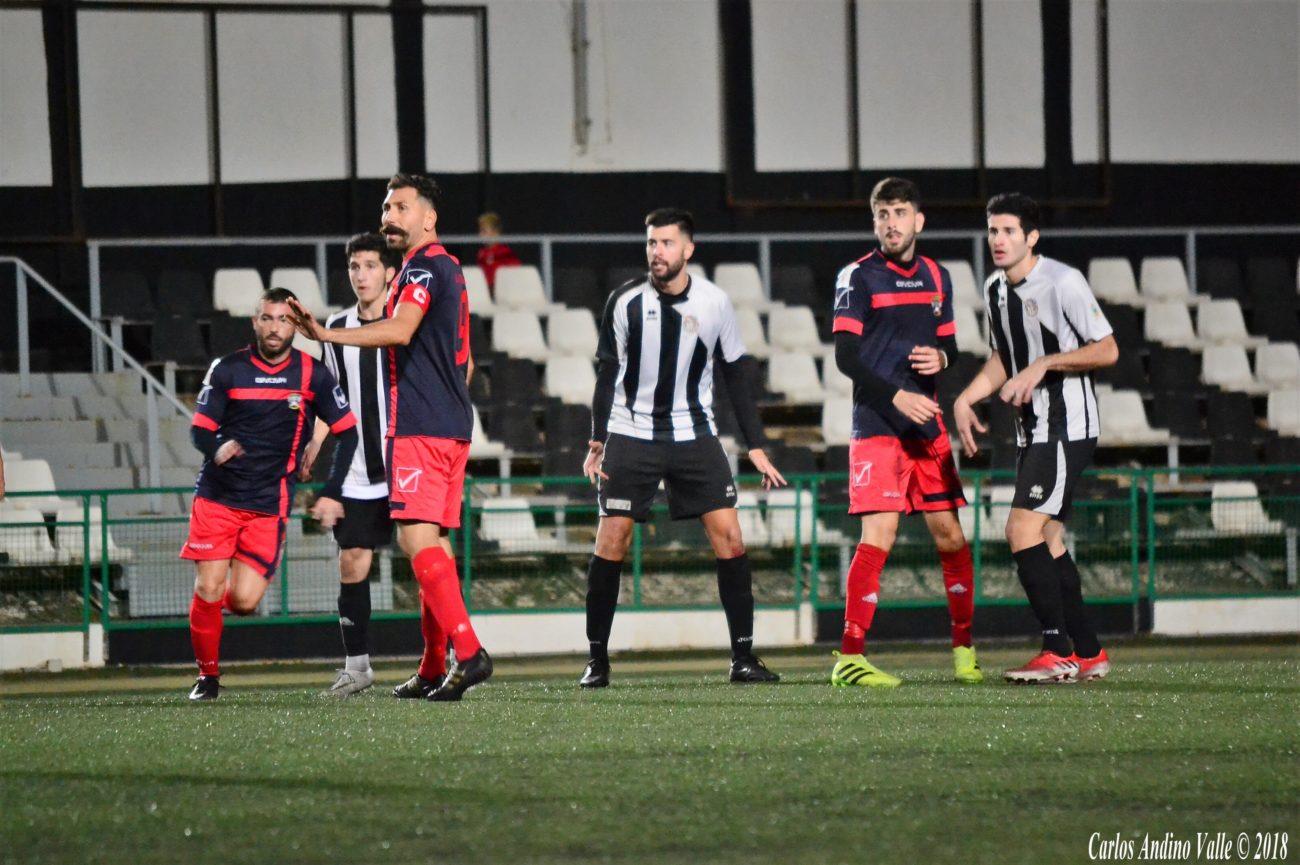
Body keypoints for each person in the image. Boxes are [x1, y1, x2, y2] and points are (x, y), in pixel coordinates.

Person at [287, 173, 492, 702]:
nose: (389, 216)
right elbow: (465, 361)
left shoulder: (421, 267)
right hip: (452, 425)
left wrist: (324, 334)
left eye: (401, 207)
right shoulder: (448, 267)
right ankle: (432, 666)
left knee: (414, 540)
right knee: (435, 545)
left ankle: (468, 653)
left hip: (421, 427)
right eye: (386, 208)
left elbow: (400, 330)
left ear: (429, 217)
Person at [579, 207, 786, 688]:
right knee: (611, 540)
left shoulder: (715, 303)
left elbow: (735, 375)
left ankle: (742, 658)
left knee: (731, 539)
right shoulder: (625, 301)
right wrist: (597, 438)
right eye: (652, 242)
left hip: (694, 434)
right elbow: (607, 372)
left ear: (688, 249)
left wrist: (756, 445)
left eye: (667, 243)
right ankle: (597, 660)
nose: (657, 251)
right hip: (631, 432)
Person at [953, 192, 1118, 684]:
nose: (998, 240)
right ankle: (1088, 651)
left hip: (1068, 426)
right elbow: (1004, 358)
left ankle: (1056, 650)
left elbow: (1107, 349)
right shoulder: (995, 289)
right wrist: (966, 398)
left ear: (1032, 237)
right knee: (1047, 538)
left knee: (1020, 530)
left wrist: (1046, 363)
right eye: (993, 230)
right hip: (1034, 430)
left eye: (1009, 231)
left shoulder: (1063, 282)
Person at [828, 177, 982, 688]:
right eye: (882, 214)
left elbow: (950, 347)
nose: (890, 223)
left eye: (899, 213)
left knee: (951, 536)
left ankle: (964, 650)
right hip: (878, 425)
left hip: (926, 428)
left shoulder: (938, 276)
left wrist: (943, 358)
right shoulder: (857, 276)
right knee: (880, 535)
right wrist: (894, 395)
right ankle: (850, 657)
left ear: (919, 220)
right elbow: (845, 357)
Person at [182, 287, 359, 701]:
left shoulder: (312, 374)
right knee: (209, 587)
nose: (274, 327)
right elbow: (199, 430)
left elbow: (349, 432)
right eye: (267, 318)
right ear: (255, 322)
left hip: (269, 503)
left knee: (243, 601)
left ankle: (214, 604)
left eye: (283, 319)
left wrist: (332, 491)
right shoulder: (228, 369)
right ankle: (207, 677)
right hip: (217, 497)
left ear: (294, 325)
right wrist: (217, 447)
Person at [300, 233, 402, 697]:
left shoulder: (406, 323)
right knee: (352, 563)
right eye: (354, 267)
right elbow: (333, 400)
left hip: (406, 464)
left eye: (370, 265)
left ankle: (445, 658)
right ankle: (357, 667)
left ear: (390, 272)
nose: (361, 275)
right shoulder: (336, 328)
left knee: (428, 561)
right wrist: (315, 443)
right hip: (360, 470)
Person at [476, 211, 521, 294]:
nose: (480, 234)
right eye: (480, 231)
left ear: (495, 232)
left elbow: (516, 275)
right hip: (484, 292)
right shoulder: (481, 253)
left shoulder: (505, 252)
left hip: (504, 292)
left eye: (484, 231)